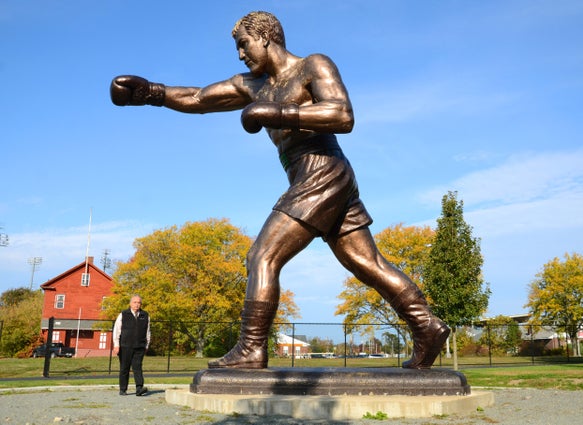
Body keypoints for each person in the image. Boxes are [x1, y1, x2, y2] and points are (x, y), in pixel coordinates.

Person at [110, 11, 449, 370]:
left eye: (244, 45)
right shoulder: (252, 85)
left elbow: (342, 115)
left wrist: (277, 113)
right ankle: (426, 326)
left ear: (265, 37)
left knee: (262, 256)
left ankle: (251, 348)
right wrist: (150, 93)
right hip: (315, 176)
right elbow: (198, 97)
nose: (241, 55)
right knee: (366, 262)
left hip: (322, 170)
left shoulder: (312, 65)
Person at [112, 295, 150, 395]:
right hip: (125, 346)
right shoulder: (123, 314)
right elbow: (117, 330)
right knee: (124, 368)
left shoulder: (145, 315)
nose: (137, 304)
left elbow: (148, 331)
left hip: (139, 346)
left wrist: (147, 345)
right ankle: (123, 389)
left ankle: (139, 388)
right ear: (130, 303)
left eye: (139, 302)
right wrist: (116, 345)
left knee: (137, 367)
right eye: (135, 302)